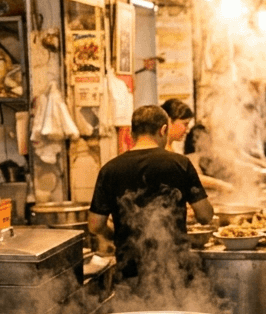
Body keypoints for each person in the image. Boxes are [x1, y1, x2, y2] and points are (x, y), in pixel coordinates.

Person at [88, 105, 215, 282]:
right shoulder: (180, 164)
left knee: (136, 309)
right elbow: (205, 215)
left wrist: (114, 234)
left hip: (129, 270)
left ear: (132, 134)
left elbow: (95, 226)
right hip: (174, 268)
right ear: (163, 130)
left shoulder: (109, 169)